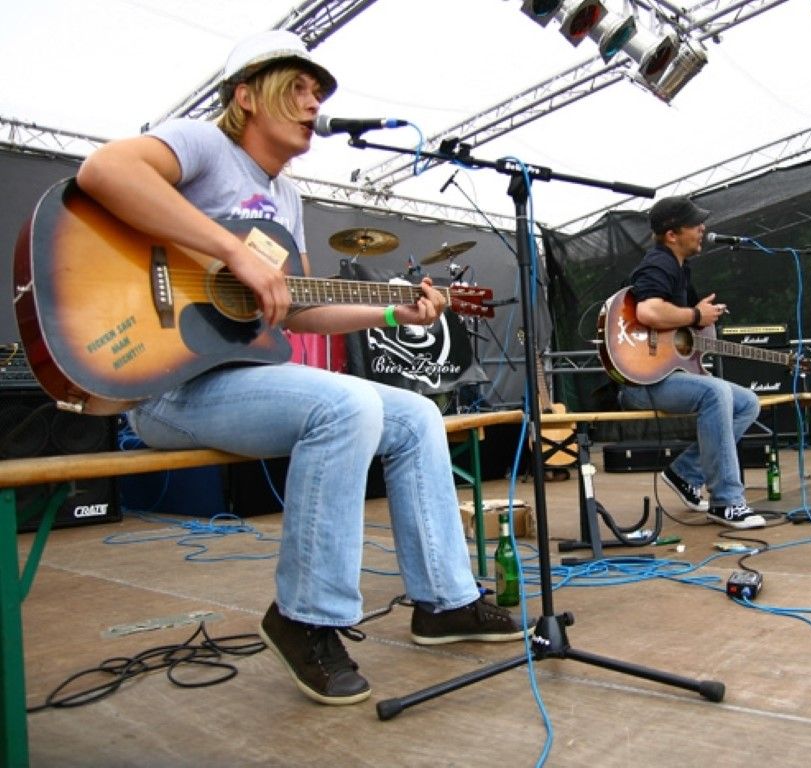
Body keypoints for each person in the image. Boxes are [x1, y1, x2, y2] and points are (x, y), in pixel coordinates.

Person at [74, 30, 524, 707]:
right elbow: (104, 171)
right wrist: (234, 252)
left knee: (415, 414)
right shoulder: (202, 145)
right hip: (166, 385)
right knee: (347, 405)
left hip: (240, 379)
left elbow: (300, 310)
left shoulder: (288, 197)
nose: (315, 103)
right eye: (299, 88)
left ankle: (445, 601)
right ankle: (304, 617)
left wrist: (395, 312)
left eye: (319, 92)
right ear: (247, 96)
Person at [618, 196, 767, 529]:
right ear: (672, 234)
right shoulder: (660, 263)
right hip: (642, 381)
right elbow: (648, 311)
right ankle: (727, 502)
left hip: (666, 374)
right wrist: (697, 315)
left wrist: (702, 319)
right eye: (695, 224)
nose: (703, 228)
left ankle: (685, 473)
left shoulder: (680, 269)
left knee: (748, 403)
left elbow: (686, 329)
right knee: (716, 392)